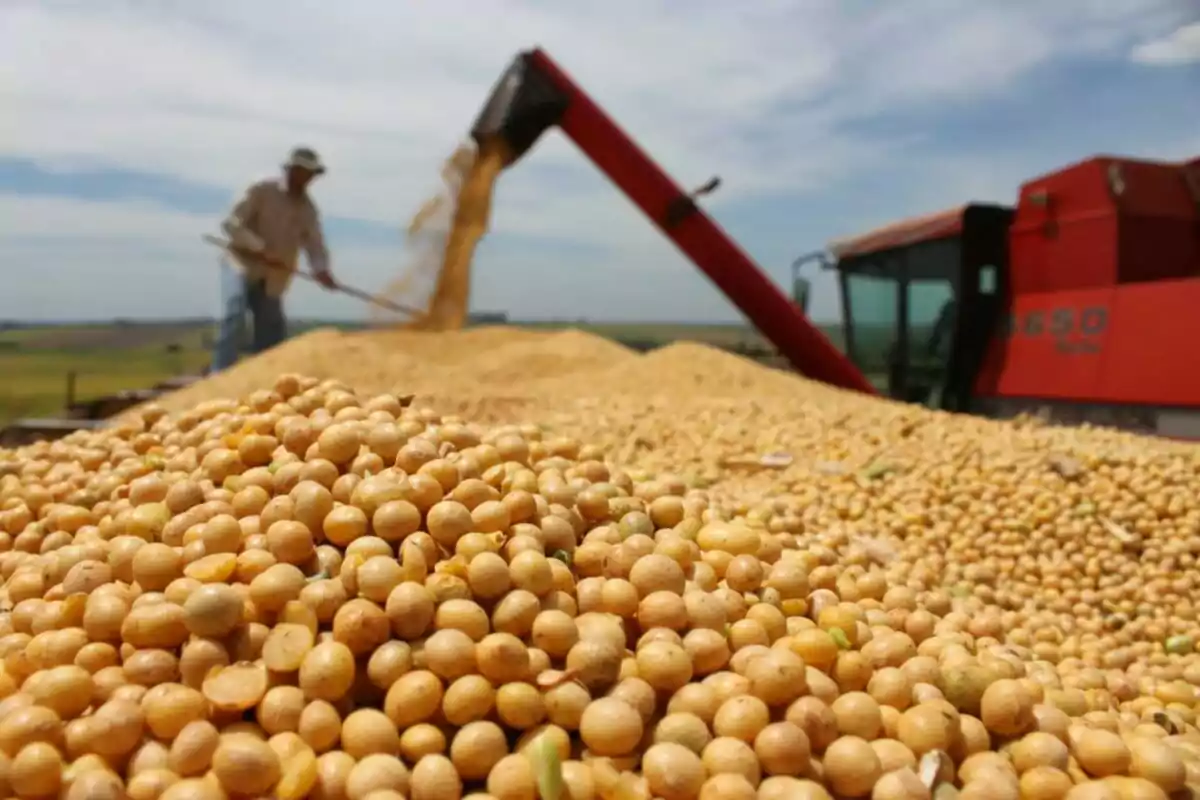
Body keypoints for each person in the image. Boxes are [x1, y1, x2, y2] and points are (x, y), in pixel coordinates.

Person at [211, 146, 336, 371]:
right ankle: (219, 374)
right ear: (291, 169)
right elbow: (230, 223)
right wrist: (260, 248)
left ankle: (267, 380)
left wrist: (322, 270)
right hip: (241, 262)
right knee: (235, 310)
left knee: (271, 330)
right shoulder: (261, 188)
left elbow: (315, 244)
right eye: (302, 172)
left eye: (311, 174)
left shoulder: (308, 209)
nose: (306, 179)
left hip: (275, 274)